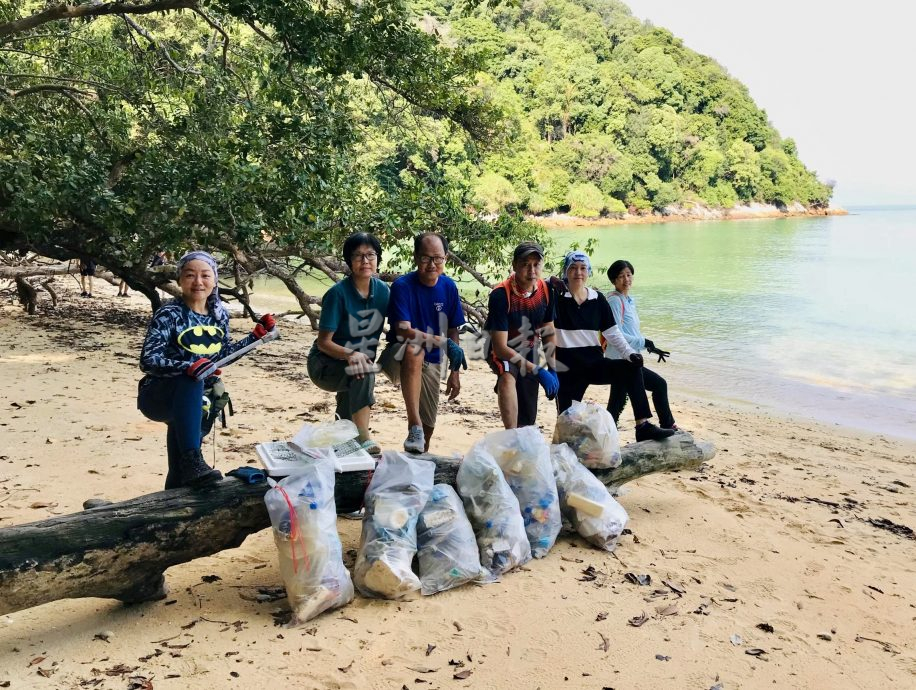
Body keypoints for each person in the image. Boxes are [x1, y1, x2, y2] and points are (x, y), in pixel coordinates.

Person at [137, 250, 276, 488]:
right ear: (180, 279)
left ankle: (177, 496)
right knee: (191, 380)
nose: (198, 282)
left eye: (205, 275)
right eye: (190, 275)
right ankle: (194, 461)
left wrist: (255, 337)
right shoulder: (169, 314)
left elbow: (220, 358)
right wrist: (188, 367)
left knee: (180, 468)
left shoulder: (218, 315)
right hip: (159, 396)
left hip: (196, 401)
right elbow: (148, 360)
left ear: (214, 280)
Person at [551, 251, 674, 442]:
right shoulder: (555, 297)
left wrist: (630, 353)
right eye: (573, 268)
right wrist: (550, 280)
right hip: (566, 370)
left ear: (589, 272)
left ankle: (642, 425)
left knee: (631, 368)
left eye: (583, 268)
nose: (578, 272)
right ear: (566, 271)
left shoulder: (597, 299)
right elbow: (532, 285)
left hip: (594, 364)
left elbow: (612, 332)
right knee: (566, 423)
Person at [381, 232, 467, 454]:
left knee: (429, 427)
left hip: (433, 359)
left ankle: (419, 449)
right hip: (399, 355)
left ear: (446, 258)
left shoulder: (449, 287)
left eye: (437, 258)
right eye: (425, 258)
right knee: (414, 349)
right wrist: (443, 342)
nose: (432, 264)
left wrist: (454, 372)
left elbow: (453, 329)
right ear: (415, 257)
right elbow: (403, 331)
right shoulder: (402, 286)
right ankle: (414, 425)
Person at [307, 232, 389, 454]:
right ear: (349, 261)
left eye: (370, 255)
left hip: (358, 363)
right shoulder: (337, 294)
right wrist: (351, 354)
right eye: (358, 256)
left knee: (344, 430)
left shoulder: (383, 291)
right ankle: (364, 438)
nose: (365, 261)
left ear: (378, 259)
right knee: (363, 369)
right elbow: (323, 342)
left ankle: (344, 442)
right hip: (325, 364)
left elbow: (403, 321)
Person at [484, 241, 559, 429]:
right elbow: (500, 348)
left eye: (536, 264)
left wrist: (552, 368)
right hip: (502, 349)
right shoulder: (501, 295)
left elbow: (548, 331)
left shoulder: (546, 290)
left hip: (529, 347)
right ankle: (511, 435)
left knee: (527, 413)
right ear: (515, 265)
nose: (532, 270)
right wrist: (538, 370)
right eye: (525, 264)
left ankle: (523, 434)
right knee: (507, 375)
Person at [605, 259, 677, 430]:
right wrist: (644, 341)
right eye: (621, 276)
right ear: (614, 280)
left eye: (629, 275)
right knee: (659, 384)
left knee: (617, 401)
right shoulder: (615, 301)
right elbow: (615, 334)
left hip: (629, 359)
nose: (626, 279)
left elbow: (631, 331)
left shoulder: (629, 300)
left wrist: (648, 346)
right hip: (621, 360)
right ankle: (667, 425)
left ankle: (606, 432)